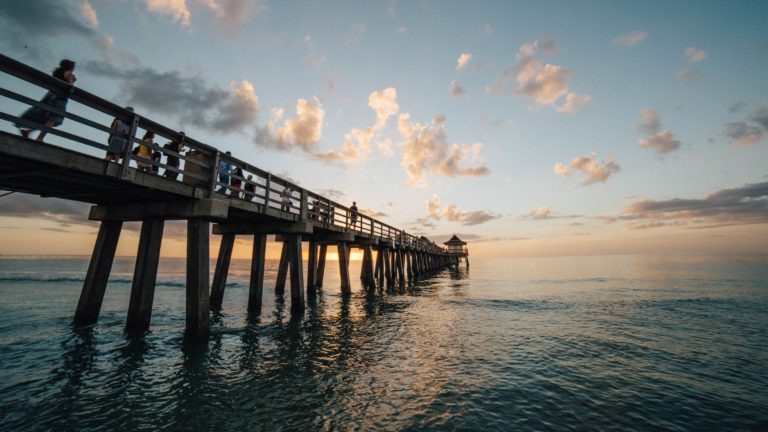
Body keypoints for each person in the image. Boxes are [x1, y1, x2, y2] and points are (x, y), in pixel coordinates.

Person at [16, 59, 77, 142]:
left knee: (44, 117)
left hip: (50, 95)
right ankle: (40, 138)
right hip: (60, 97)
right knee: (54, 118)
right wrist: (72, 86)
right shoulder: (69, 73)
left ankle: (28, 131)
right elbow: (70, 87)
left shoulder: (57, 73)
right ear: (70, 67)